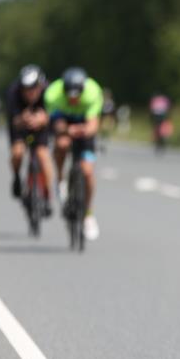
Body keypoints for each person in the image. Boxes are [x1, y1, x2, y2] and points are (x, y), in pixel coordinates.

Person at [45, 67, 103, 240]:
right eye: (69, 95)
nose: (73, 98)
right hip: (64, 122)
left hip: (84, 126)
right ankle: (61, 179)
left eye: (76, 95)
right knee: (61, 145)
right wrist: (67, 130)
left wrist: (84, 130)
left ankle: (88, 214)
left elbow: (93, 125)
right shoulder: (53, 94)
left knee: (87, 171)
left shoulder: (93, 92)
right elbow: (56, 124)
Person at [6, 64, 54, 215]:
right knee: (18, 153)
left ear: (41, 85)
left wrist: (43, 119)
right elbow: (13, 120)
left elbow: (54, 115)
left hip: (42, 127)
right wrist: (23, 119)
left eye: (34, 88)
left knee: (43, 155)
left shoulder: (49, 93)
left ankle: (47, 194)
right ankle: (17, 177)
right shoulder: (13, 93)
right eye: (26, 88)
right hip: (20, 126)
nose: (30, 92)